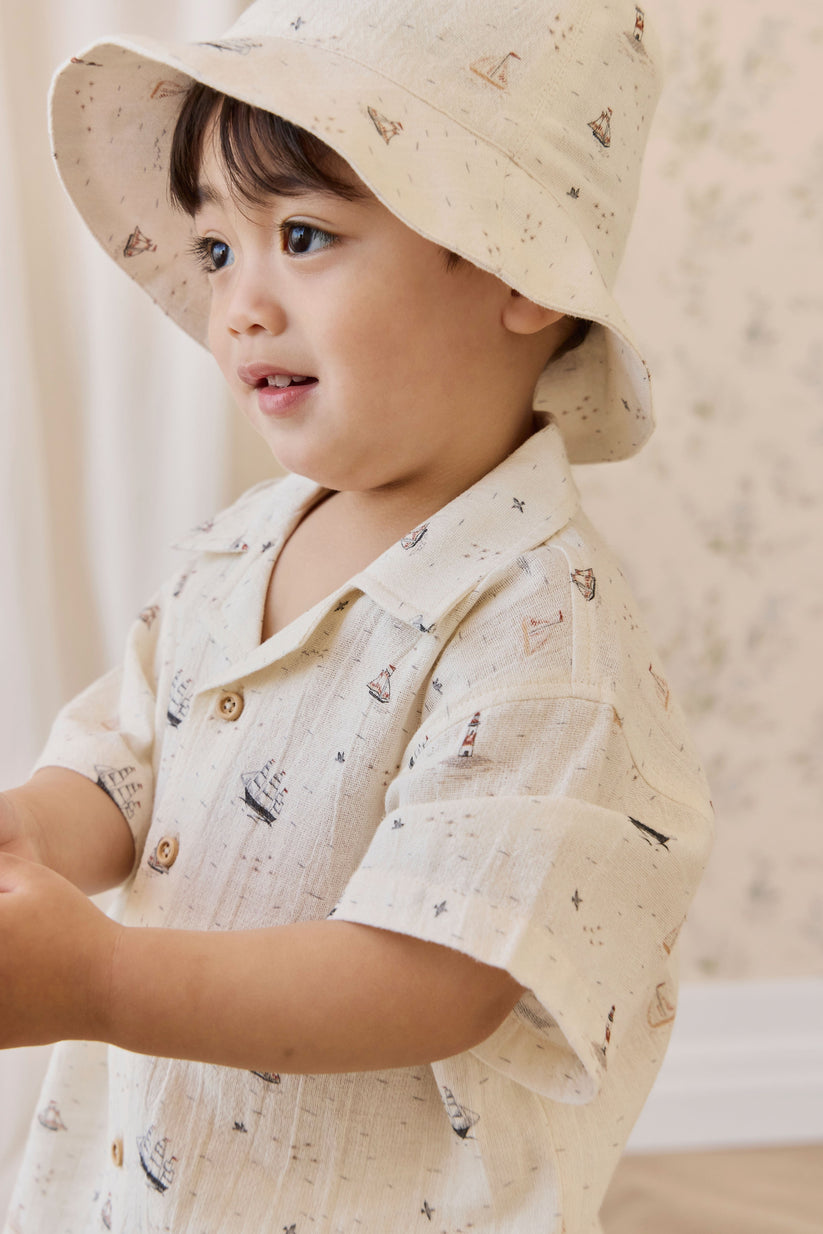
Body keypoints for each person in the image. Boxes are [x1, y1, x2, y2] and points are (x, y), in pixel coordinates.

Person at [0, 2, 714, 1231]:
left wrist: (104, 977)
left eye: (302, 235)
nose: (239, 305)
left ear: (511, 267)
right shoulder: (237, 547)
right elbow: (125, 765)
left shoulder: (541, 634)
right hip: (153, 1186)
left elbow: (436, 973)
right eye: (218, 250)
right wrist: (23, 842)